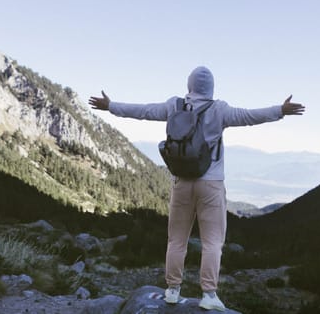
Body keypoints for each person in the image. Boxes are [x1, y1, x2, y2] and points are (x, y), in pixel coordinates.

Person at [89, 66, 305, 311]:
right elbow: (249, 116)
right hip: (210, 184)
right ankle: (209, 294)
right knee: (212, 241)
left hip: (181, 182)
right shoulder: (219, 110)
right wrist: (280, 110)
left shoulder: (174, 106)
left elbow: (143, 111)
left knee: (176, 239)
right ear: (211, 87)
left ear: (189, 85)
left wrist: (111, 106)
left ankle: (172, 290)